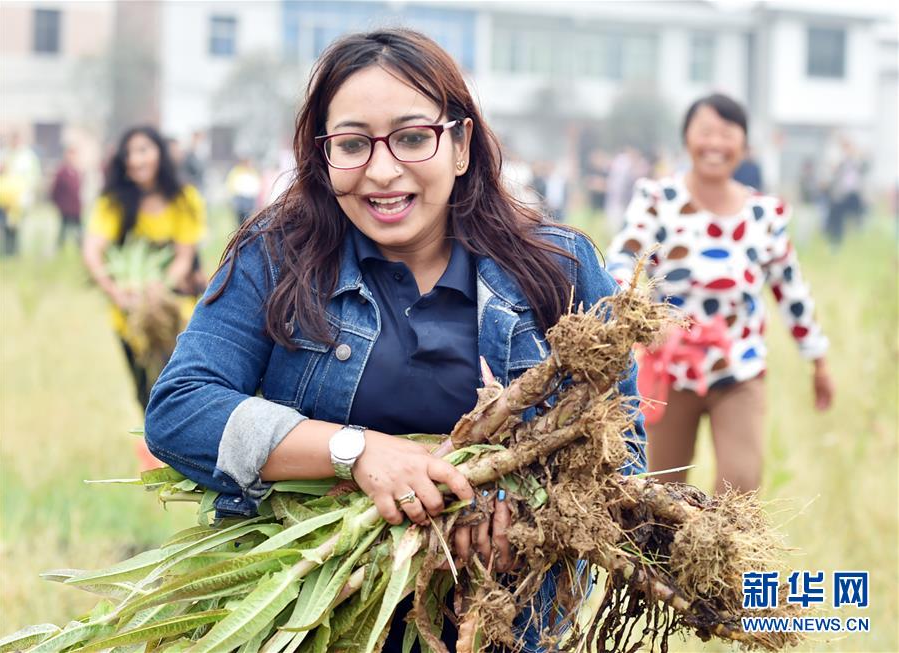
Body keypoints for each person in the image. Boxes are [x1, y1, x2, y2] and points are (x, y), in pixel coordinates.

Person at [145, 29, 645, 652]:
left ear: (460, 145)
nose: (382, 171)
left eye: (413, 138)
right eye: (352, 145)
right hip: (310, 622)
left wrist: (525, 513)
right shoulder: (274, 258)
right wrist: (355, 453)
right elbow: (180, 408)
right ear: (324, 158)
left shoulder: (559, 268)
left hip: (500, 625)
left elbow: (620, 456)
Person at [607, 93, 834, 494]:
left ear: (744, 147)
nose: (715, 144)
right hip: (670, 370)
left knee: (740, 488)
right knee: (660, 493)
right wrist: (636, 314)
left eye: (727, 134)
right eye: (705, 132)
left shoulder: (763, 215)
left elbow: (790, 289)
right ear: (686, 139)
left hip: (738, 370)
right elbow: (622, 258)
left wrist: (817, 360)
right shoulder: (659, 201)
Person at [82, 126, 207, 414]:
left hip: (171, 308)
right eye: (129, 153)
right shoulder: (112, 202)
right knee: (144, 390)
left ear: (160, 154)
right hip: (128, 312)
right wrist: (116, 292)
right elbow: (93, 251)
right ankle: (150, 452)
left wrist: (159, 288)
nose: (135, 160)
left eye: (143, 150)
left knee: (176, 385)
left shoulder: (184, 198)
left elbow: (184, 256)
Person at [50, 145, 83, 249]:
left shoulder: (76, 172)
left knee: (79, 229)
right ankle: (59, 247)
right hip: (65, 207)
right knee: (63, 230)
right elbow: (55, 190)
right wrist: (58, 204)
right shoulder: (62, 172)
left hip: (75, 207)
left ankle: (81, 247)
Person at [225, 156, 262, 225]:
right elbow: (231, 184)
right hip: (239, 198)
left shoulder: (252, 172)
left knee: (248, 218)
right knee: (240, 218)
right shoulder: (236, 171)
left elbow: (257, 185)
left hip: (249, 199)